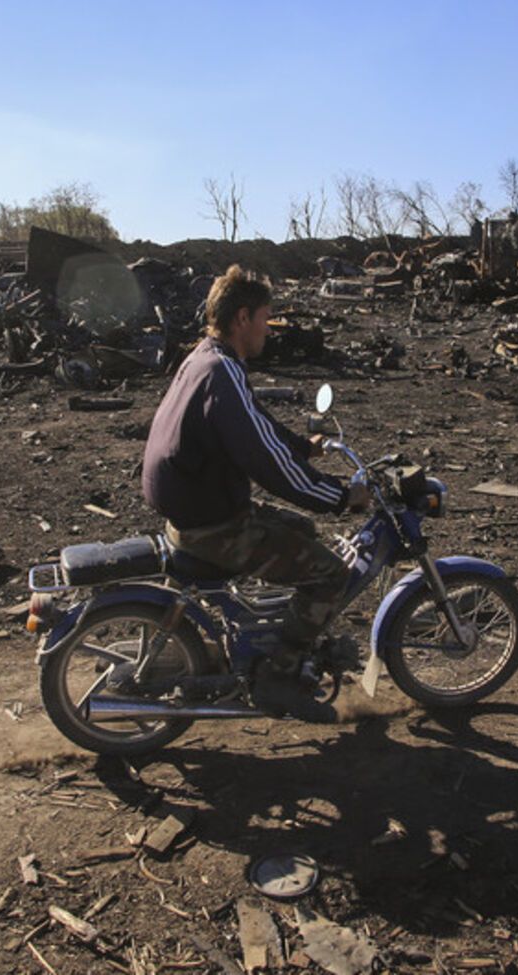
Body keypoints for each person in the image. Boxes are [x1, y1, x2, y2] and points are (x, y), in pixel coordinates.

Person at [141, 265, 369, 719]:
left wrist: (304, 447)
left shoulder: (208, 359)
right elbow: (266, 463)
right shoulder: (221, 373)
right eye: (266, 317)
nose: (270, 327)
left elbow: (257, 422)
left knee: (302, 528)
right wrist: (342, 497)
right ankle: (279, 679)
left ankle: (270, 640)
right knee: (330, 575)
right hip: (213, 525)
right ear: (242, 318)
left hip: (198, 509)